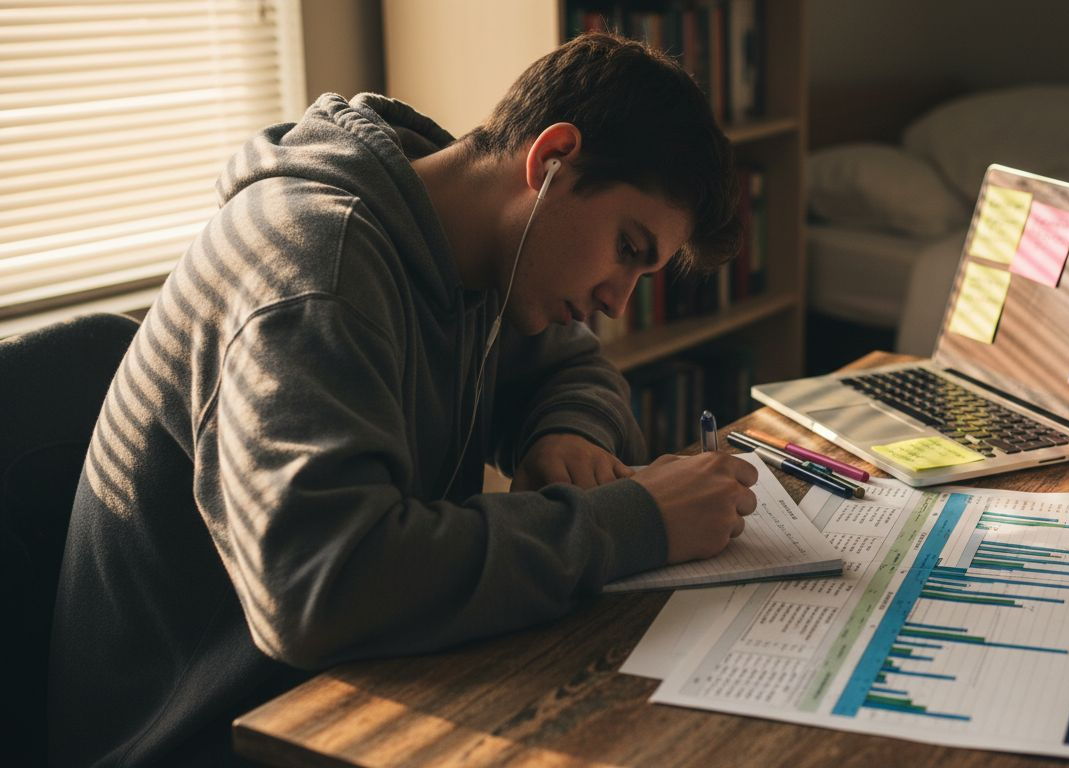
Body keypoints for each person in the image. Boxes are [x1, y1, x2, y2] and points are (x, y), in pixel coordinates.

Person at [48, 32, 757, 766]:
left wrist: (567, 431)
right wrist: (635, 522)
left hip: (348, 689)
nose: (617, 300)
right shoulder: (317, 273)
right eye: (628, 249)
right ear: (551, 160)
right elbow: (322, 586)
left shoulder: (468, 242)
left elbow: (574, 368)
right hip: (205, 734)